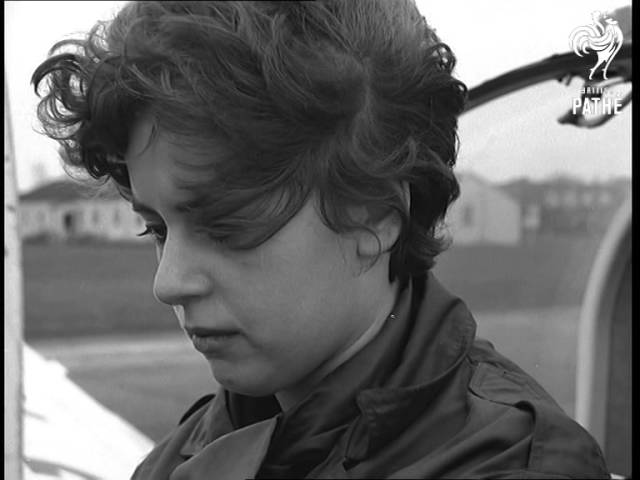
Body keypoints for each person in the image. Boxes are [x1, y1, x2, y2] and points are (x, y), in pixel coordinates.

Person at [32, 1, 610, 478]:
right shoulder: (181, 458)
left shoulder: (516, 463)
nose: (168, 282)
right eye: (156, 228)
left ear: (375, 216)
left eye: (227, 225)